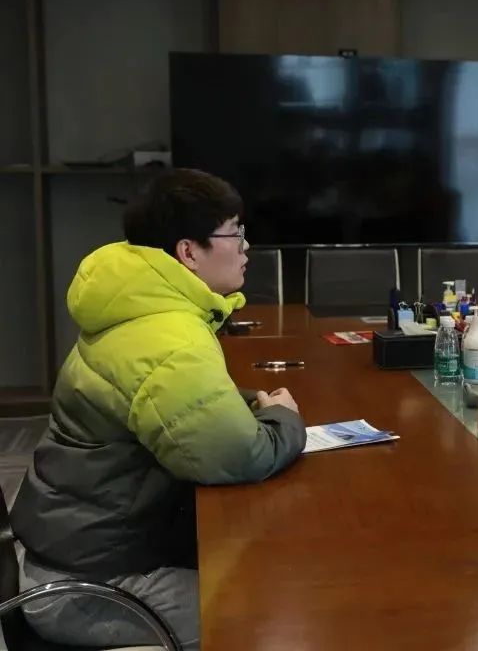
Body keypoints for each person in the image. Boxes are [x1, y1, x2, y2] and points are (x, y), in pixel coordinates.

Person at [9, 169, 307, 648]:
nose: (246, 246)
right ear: (188, 252)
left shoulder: (138, 307)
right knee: (278, 612)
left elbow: (167, 400)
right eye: (235, 233)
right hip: (92, 589)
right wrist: (284, 418)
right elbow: (240, 456)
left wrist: (243, 402)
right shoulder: (168, 337)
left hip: (74, 556)